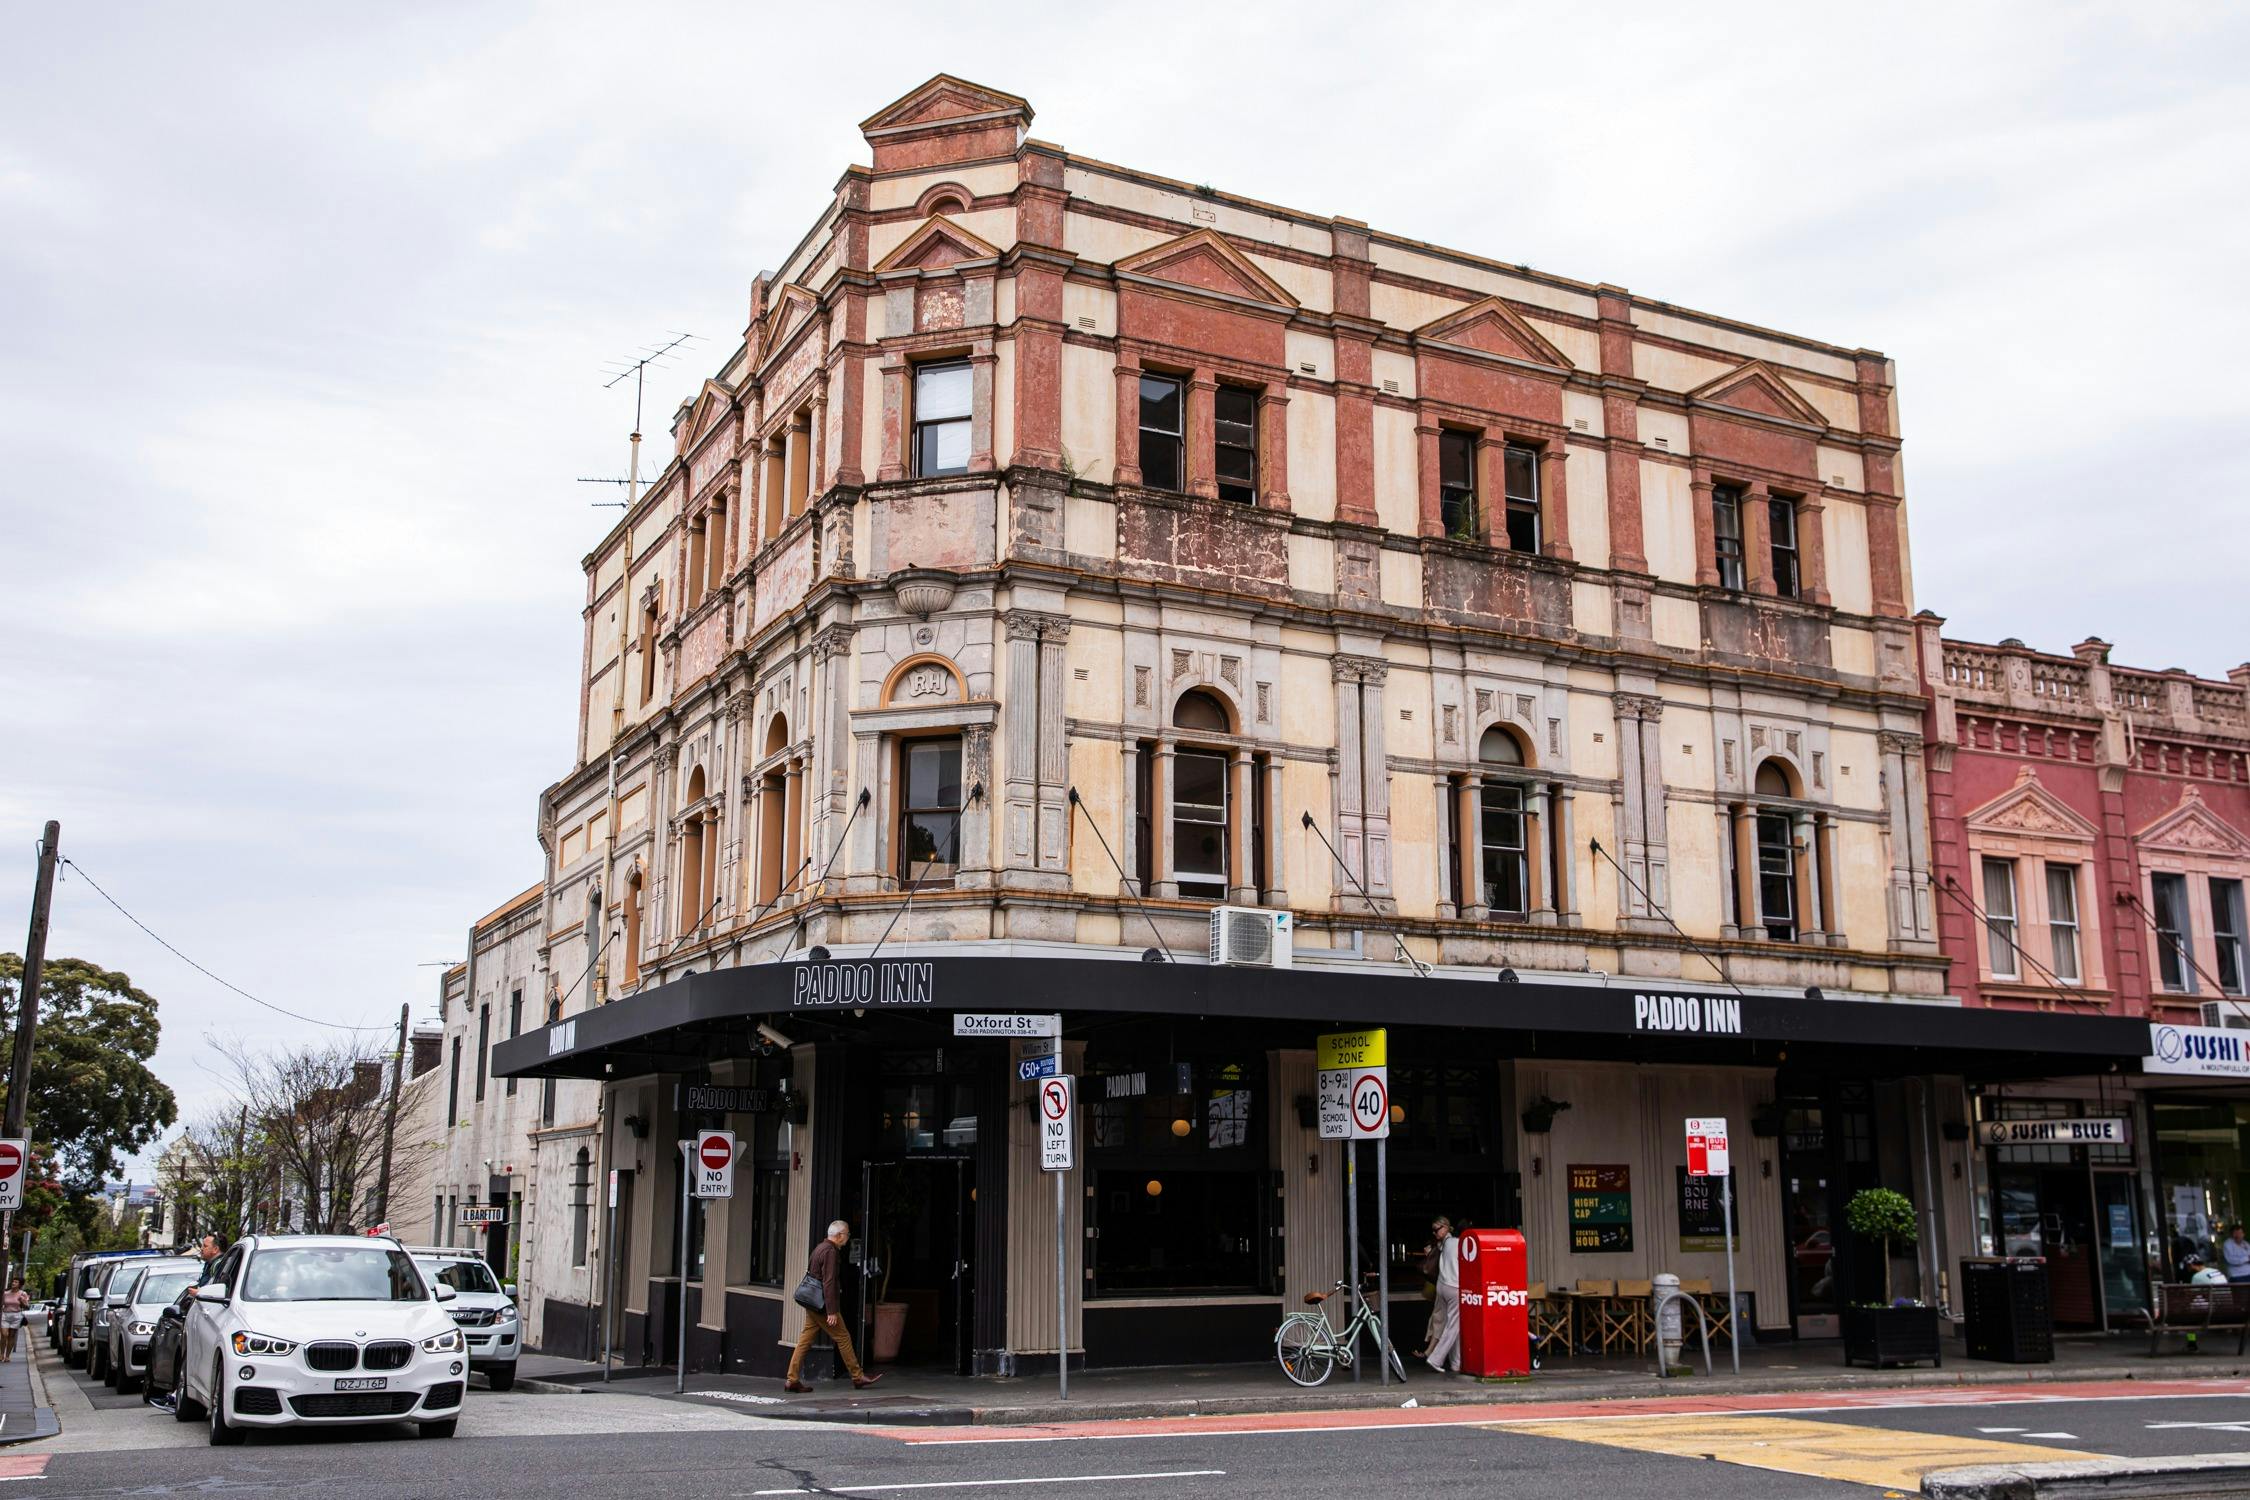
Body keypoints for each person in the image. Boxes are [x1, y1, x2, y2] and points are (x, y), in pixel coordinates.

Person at [784, 1221, 882, 1393]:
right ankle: (857, 1376)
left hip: (813, 1303)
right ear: (839, 1236)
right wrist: (832, 1311)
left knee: (805, 1340)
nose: (848, 1238)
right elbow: (829, 1282)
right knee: (843, 1337)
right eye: (847, 1234)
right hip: (822, 1305)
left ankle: (792, 1379)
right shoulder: (830, 1252)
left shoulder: (820, 1248)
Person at [1425, 1217, 1462, 1376]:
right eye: (1433, 1230)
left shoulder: (1442, 1244)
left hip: (1441, 1286)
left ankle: (1456, 1363)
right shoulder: (1456, 1242)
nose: (1435, 1233)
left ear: (1447, 1227)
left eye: (1437, 1229)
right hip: (1454, 1286)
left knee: (1451, 1325)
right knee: (1453, 1326)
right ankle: (1436, 1359)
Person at [0, 1279, 28, 1363]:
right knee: (4, 1334)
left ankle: (7, 1356)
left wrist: (21, 1301)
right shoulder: (5, 1293)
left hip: (16, 1315)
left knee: (11, 1336)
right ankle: (1, 1354)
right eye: (13, 1281)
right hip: (5, 1314)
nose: (13, 1283)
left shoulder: (23, 1294)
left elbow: (26, 1306)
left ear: (20, 1284)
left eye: (16, 1282)